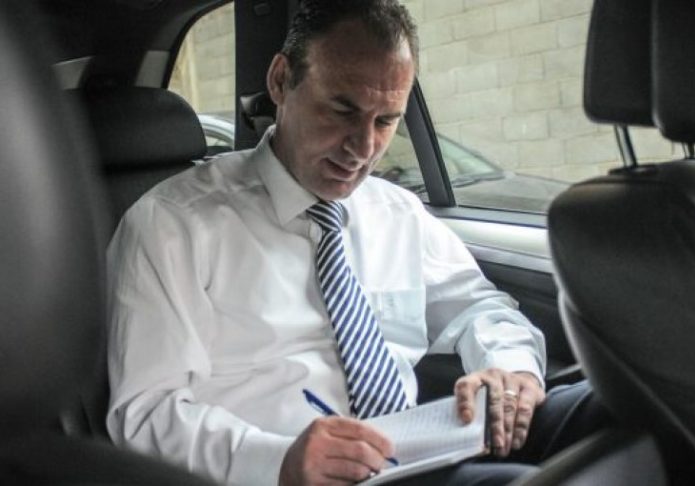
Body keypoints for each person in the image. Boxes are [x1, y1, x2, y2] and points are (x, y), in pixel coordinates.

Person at [106, 1, 606, 485]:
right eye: (343, 110)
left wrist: (508, 373)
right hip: (289, 473)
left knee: (613, 403)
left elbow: (481, 308)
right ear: (280, 81)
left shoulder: (396, 212)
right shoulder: (172, 225)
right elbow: (146, 413)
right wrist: (278, 462)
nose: (363, 148)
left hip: (416, 444)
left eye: (385, 121)